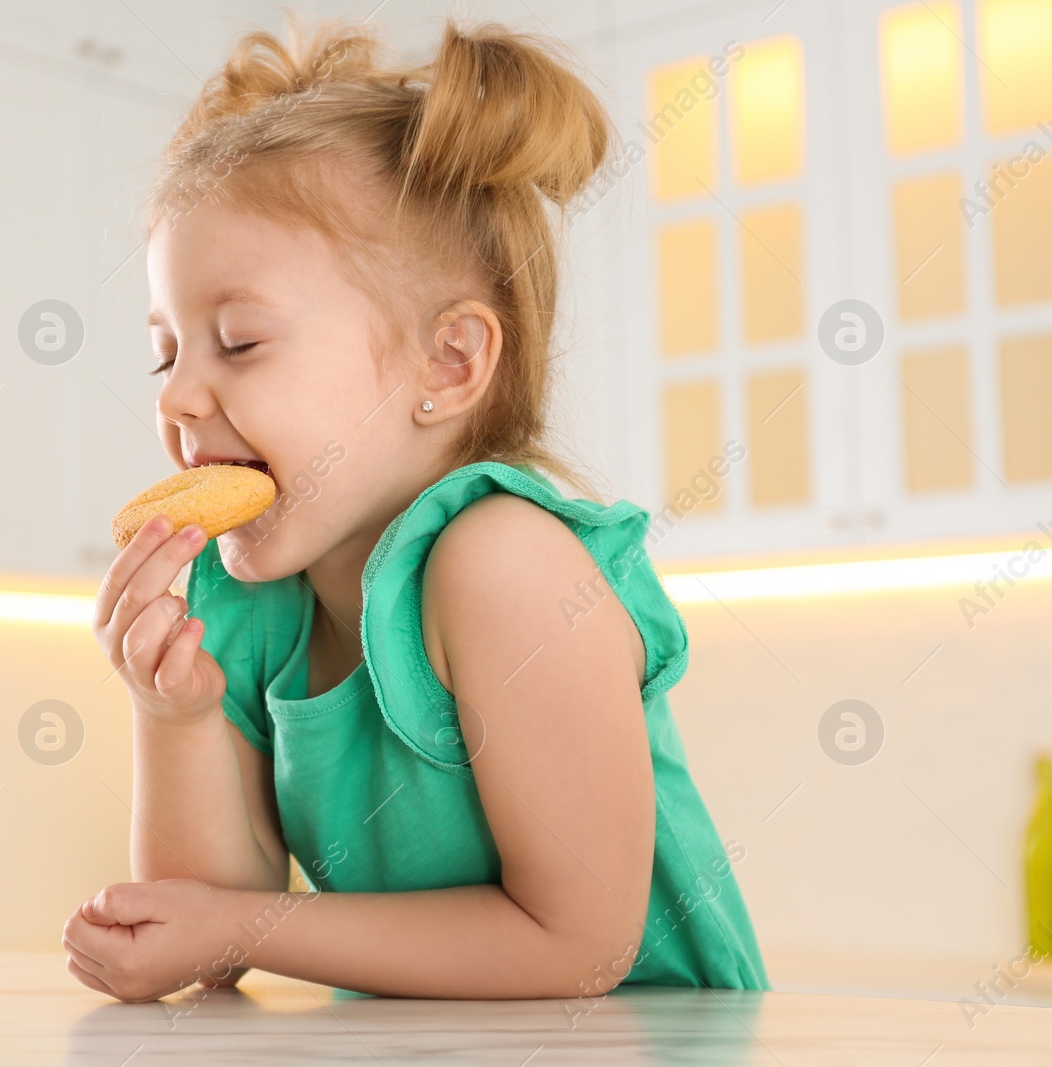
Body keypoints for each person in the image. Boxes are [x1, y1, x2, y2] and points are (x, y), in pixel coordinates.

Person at [68, 11, 767, 1002]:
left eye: (238, 341)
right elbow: (207, 940)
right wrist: (169, 715)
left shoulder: (504, 565)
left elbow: (577, 943)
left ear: (448, 362)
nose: (175, 396)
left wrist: (243, 922)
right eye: (165, 349)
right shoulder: (252, 598)